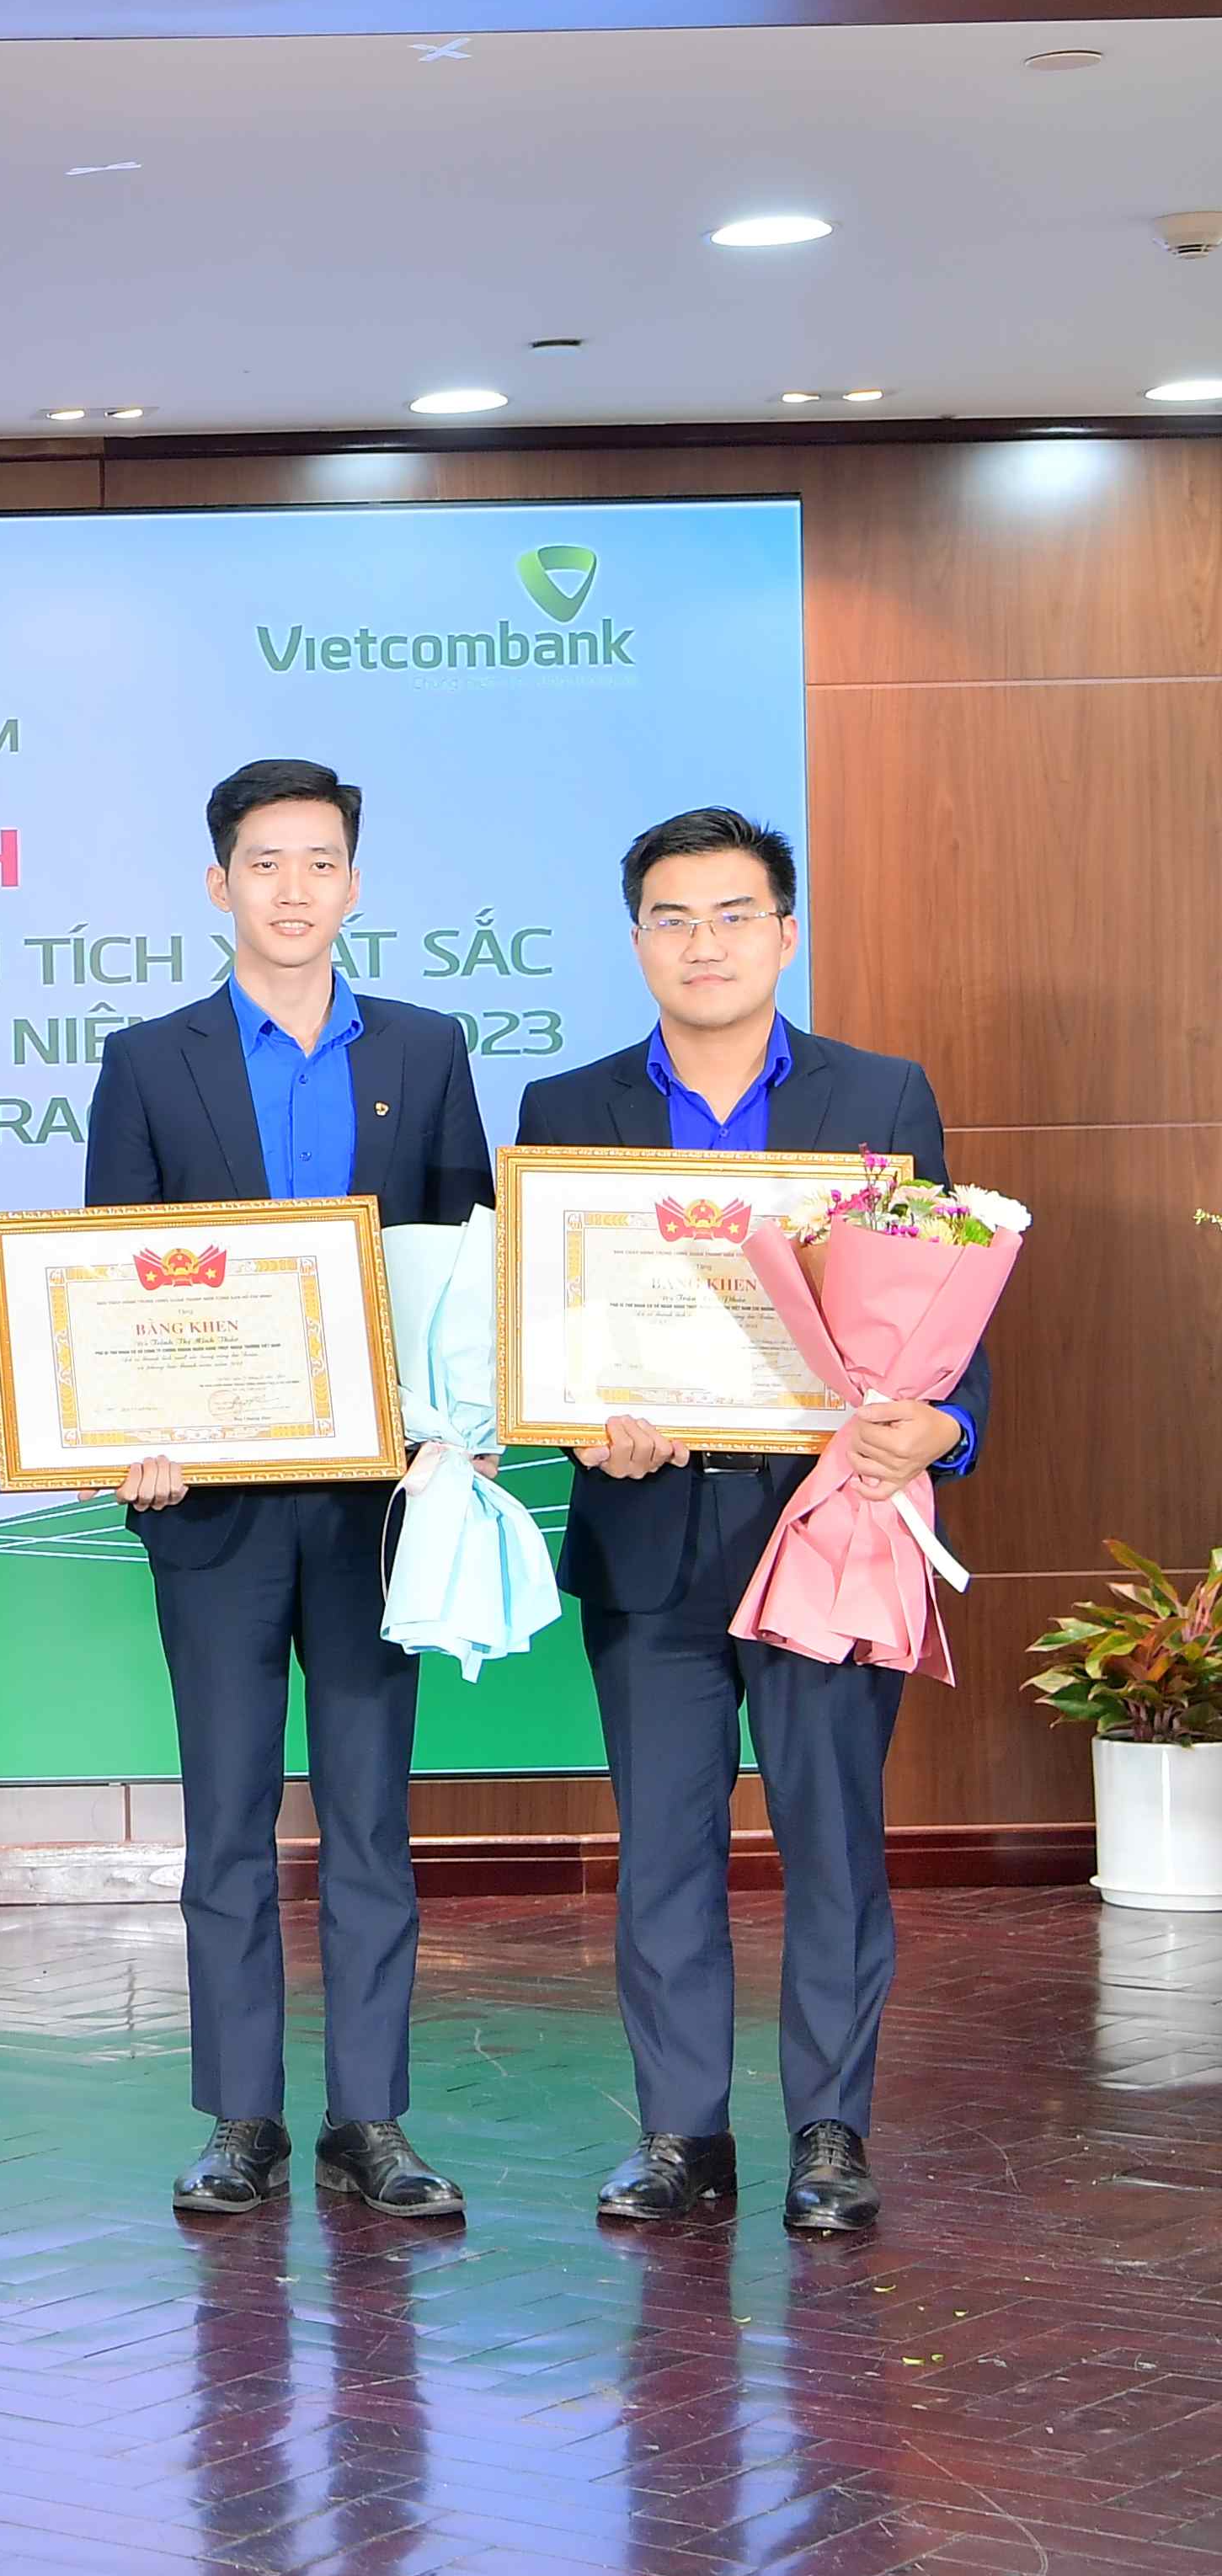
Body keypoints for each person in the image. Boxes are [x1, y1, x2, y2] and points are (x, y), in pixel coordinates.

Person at [517, 807, 983, 2238]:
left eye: (732, 916)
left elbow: (948, 1310)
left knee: (833, 1842)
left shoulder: (880, 1096)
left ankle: (831, 2135)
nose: (703, 944)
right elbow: (544, 1323)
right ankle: (682, 2136)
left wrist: (946, 1429)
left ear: (785, 934)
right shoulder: (565, 1108)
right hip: (647, 1530)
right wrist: (579, 1416)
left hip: (828, 1526)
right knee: (662, 1850)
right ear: (637, 942)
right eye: (673, 918)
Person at [87, 759, 494, 2224]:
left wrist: (466, 1428)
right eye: (265, 863)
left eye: (321, 862)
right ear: (221, 885)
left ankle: (370, 2117)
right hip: (212, 1505)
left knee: (372, 1817)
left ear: (355, 885)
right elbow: (112, 1280)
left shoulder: (427, 1050)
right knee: (228, 1815)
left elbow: (465, 1262)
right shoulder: (151, 1061)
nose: (294, 889)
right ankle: (243, 2117)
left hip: (383, 1500)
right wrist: (131, 1429)